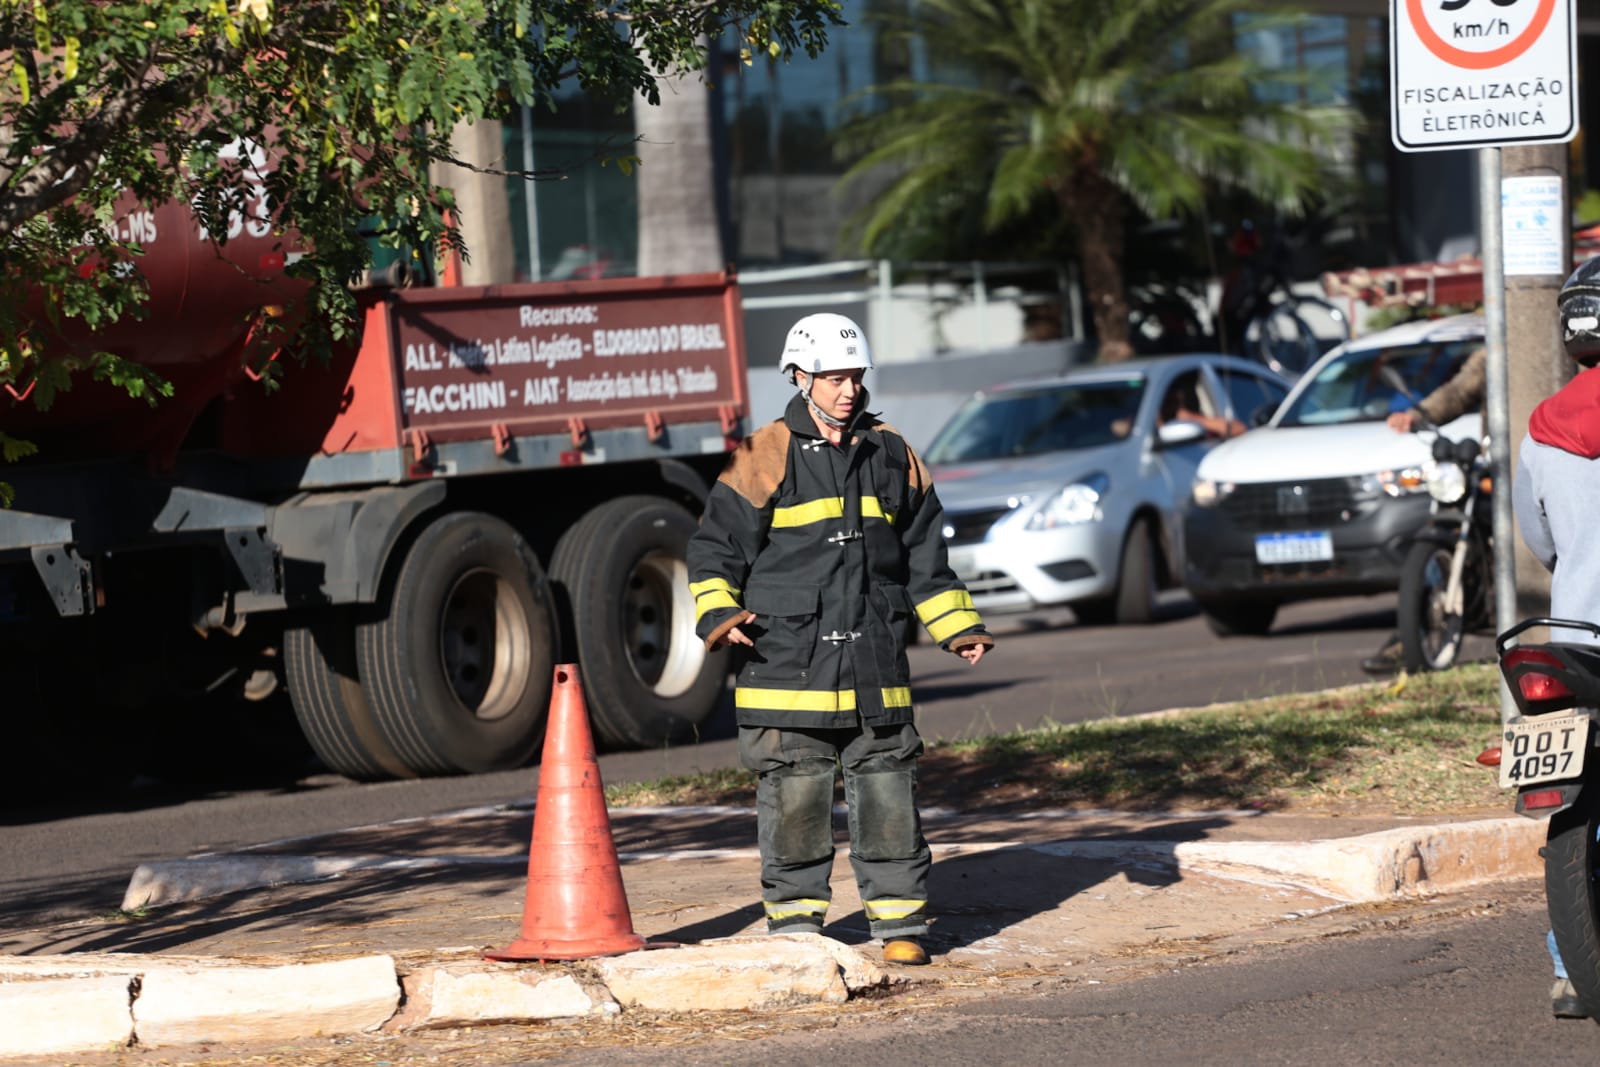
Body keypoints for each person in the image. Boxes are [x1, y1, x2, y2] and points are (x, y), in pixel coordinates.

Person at [687, 312, 993, 967]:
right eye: (834, 378)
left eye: (855, 376)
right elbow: (714, 549)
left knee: (888, 792)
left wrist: (956, 625)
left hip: (872, 664)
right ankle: (797, 930)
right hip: (786, 665)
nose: (849, 389)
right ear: (800, 377)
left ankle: (901, 924)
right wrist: (720, 613)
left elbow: (925, 558)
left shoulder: (892, 452)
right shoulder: (762, 454)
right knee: (794, 795)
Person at [1513, 254, 1600, 1020]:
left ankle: (1569, 965)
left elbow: (1538, 540)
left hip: (1574, 634)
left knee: (1571, 797)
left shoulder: (1539, 432)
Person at [1359, 344, 1488, 675]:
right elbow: (1459, 391)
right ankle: (1410, 635)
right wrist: (1418, 415)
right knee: (1449, 523)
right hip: (1495, 460)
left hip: (1546, 455)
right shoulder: (1495, 351)